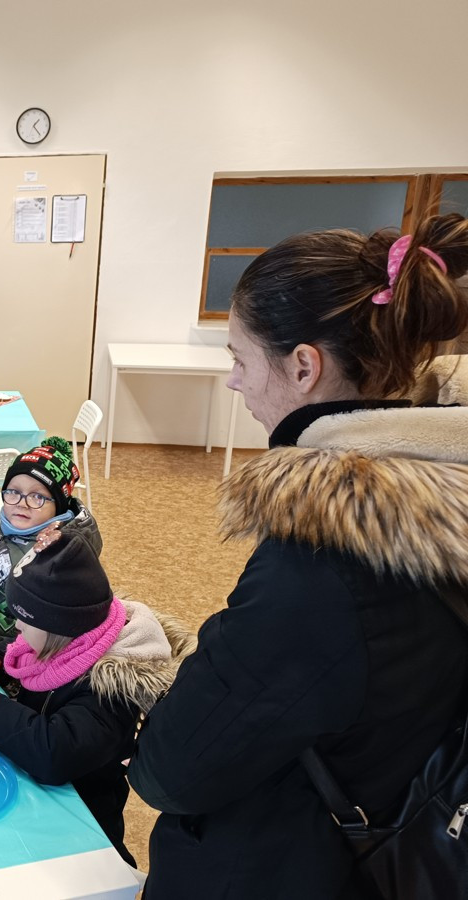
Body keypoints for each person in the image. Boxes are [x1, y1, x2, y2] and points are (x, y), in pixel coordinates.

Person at [127, 215, 468, 899]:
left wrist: (172, 663)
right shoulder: (441, 490)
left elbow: (169, 769)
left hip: (286, 866)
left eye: (240, 359)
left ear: (304, 367)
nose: (234, 382)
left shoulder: (326, 560)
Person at [0, 527, 191, 869]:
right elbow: (30, 648)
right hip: (43, 787)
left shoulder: (112, 693)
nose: (16, 627)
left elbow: (54, 752)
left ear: (59, 629)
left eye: (24, 620)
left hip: (84, 815)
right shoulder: (76, 634)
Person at [0, 437, 101, 656]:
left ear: (58, 507)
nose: (21, 502)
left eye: (37, 496)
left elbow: (41, 640)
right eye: (13, 491)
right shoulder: (16, 526)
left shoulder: (54, 559)